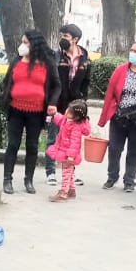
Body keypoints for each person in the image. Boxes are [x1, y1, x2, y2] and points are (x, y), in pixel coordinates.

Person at [1, 30, 61, 195]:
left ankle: (29, 180)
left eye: (26, 42)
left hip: (36, 112)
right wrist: (6, 97)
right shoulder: (16, 61)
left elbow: (57, 85)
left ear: (34, 44)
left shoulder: (47, 64)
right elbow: (6, 81)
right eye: (22, 42)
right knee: (13, 144)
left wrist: (52, 103)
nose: (22, 45)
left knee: (32, 146)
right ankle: (7, 180)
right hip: (15, 110)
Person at [98, 41, 136, 192]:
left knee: (135, 150)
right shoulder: (121, 70)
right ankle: (112, 176)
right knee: (114, 148)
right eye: (131, 50)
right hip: (120, 116)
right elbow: (110, 93)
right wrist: (104, 117)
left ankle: (130, 180)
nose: (131, 53)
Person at [45, 24, 91, 187]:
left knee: (74, 140)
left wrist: (82, 103)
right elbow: (50, 81)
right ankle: (50, 172)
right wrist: (51, 103)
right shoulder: (56, 56)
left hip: (75, 105)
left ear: (75, 39)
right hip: (57, 104)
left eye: (66, 36)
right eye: (61, 35)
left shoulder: (85, 58)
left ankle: (70, 173)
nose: (62, 39)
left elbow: (86, 83)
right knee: (53, 137)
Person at [45, 99, 91, 202]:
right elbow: (60, 120)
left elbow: (75, 143)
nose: (66, 112)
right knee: (69, 172)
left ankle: (63, 193)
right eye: (67, 109)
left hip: (68, 154)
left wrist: (71, 155)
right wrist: (55, 114)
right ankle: (71, 190)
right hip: (64, 151)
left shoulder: (76, 127)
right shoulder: (67, 120)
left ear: (77, 116)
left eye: (69, 111)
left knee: (66, 173)